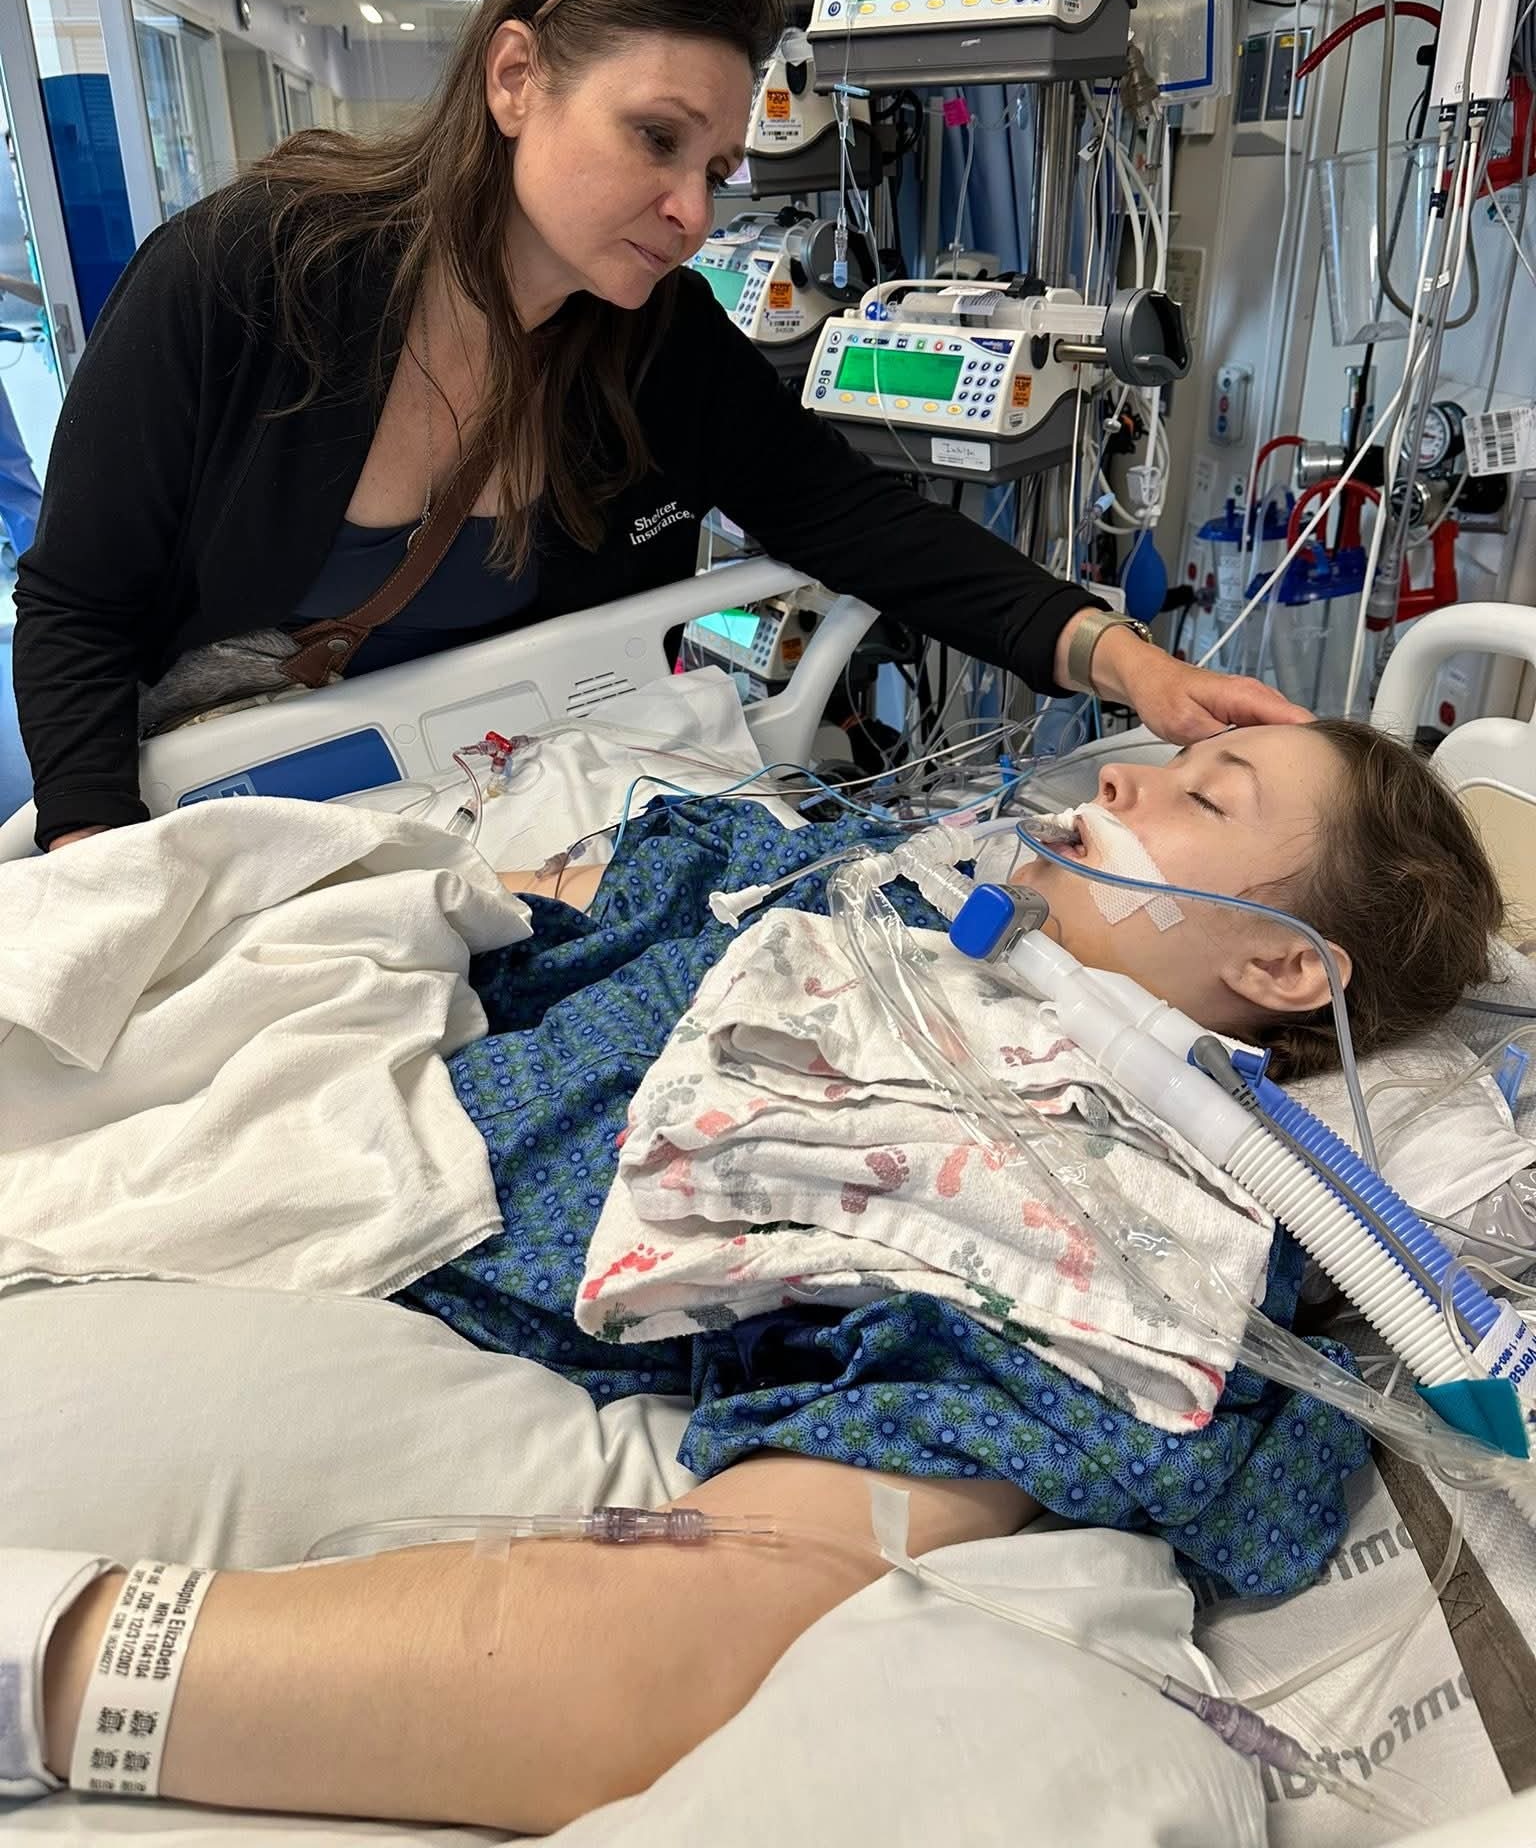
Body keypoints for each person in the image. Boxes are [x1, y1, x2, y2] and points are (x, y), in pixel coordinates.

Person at [13, 718, 1502, 1834]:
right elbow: (500, 906)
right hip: (277, 1086)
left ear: (1288, 970)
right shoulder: (862, 894)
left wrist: (52, 1668)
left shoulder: (1110, 1218)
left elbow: (685, 1628)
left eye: (1204, 796)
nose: (1117, 779)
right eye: (1164, 758)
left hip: (371, 1267)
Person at [13, 0, 1305, 854]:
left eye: (718, 171)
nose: (692, 210)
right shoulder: (245, 281)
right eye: (655, 139)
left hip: (497, 824)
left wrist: (1124, 662)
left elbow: (850, 518)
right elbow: (76, 605)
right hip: (247, 805)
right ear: (515, 79)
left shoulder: (653, 341)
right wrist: (99, 857)